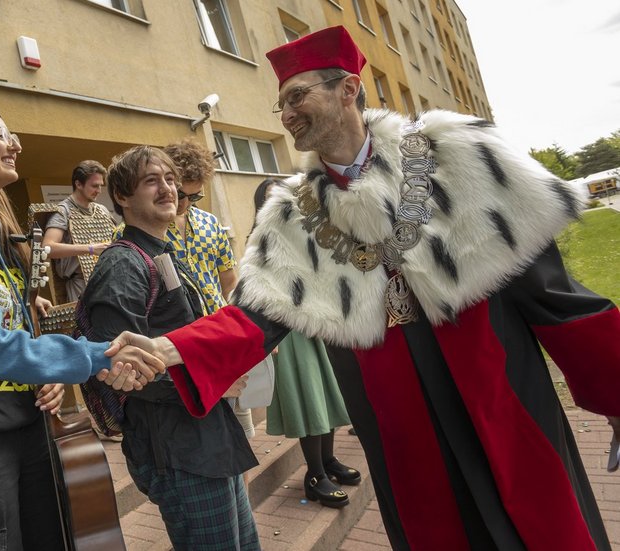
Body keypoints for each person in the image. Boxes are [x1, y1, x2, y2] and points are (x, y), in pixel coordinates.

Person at [112, 26, 620, 550]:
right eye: (280, 105)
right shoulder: (290, 216)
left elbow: (552, 291)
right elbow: (253, 316)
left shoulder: (458, 155)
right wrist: (168, 347)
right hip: (397, 417)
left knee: (542, 521)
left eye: (297, 96)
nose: (286, 114)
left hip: (502, 387)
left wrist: (615, 390)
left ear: (348, 89)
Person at [0, 103, 163, 551]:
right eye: (0, 134)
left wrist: (47, 375)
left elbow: (17, 329)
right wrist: (91, 356)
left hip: (30, 423)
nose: (15, 143)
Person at [80, 145, 259, 550]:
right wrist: (206, 380)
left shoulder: (160, 252)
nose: (168, 189)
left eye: (170, 180)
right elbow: (118, 371)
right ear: (122, 197)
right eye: (151, 181)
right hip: (178, 451)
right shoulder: (124, 265)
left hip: (207, 438)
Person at [253, 178, 357, 508]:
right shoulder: (261, 241)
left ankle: (328, 461)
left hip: (319, 326)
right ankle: (314, 475)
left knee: (325, 396)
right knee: (310, 400)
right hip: (290, 331)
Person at [43, 160, 114, 302]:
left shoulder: (102, 210)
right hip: (81, 287)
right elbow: (47, 247)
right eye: (94, 186)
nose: (99, 191)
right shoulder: (64, 211)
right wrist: (90, 249)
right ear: (78, 184)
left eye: (100, 186)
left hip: (109, 281)